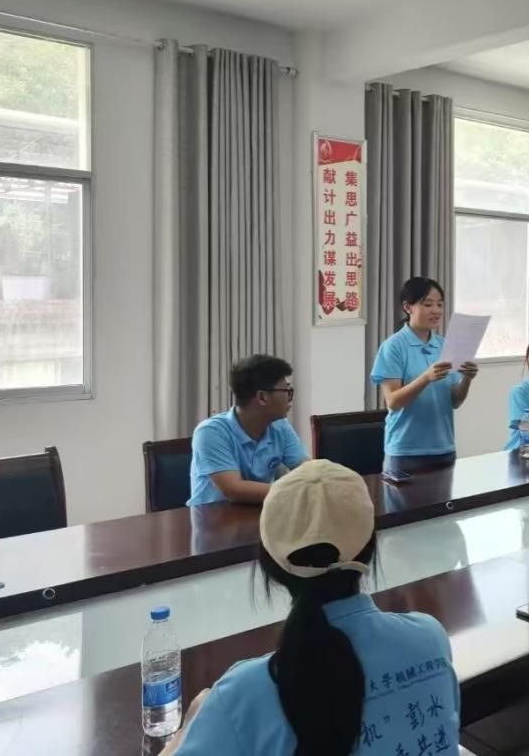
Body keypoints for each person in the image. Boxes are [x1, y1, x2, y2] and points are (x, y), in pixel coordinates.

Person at [164, 460, 460, 756]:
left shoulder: (241, 697)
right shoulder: (430, 638)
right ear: (370, 547)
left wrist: (189, 728)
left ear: (270, 564)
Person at [371, 277, 478, 470]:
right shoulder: (393, 346)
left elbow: (455, 401)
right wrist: (426, 378)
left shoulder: (445, 345)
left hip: (444, 448)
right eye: (428, 304)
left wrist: (467, 380)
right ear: (408, 307)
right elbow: (393, 402)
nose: (436, 310)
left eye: (440, 304)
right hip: (405, 451)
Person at [187, 354, 308, 506]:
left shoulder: (280, 426)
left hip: (258, 512)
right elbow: (234, 489)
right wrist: (294, 491)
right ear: (262, 397)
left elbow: (307, 470)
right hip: (213, 517)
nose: (290, 398)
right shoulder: (210, 432)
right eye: (286, 391)